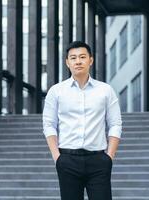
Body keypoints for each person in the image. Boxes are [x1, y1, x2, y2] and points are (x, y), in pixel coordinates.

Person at [42, 41, 122, 200]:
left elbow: (115, 124)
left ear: (90, 60)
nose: (78, 61)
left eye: (82, 57)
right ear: (67, 62)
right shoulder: (56, 91)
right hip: (67, 160)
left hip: (98, 161)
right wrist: (57, 158)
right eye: (73, 58)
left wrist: (109, 157)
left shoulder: (105, 90)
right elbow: (49, 125)